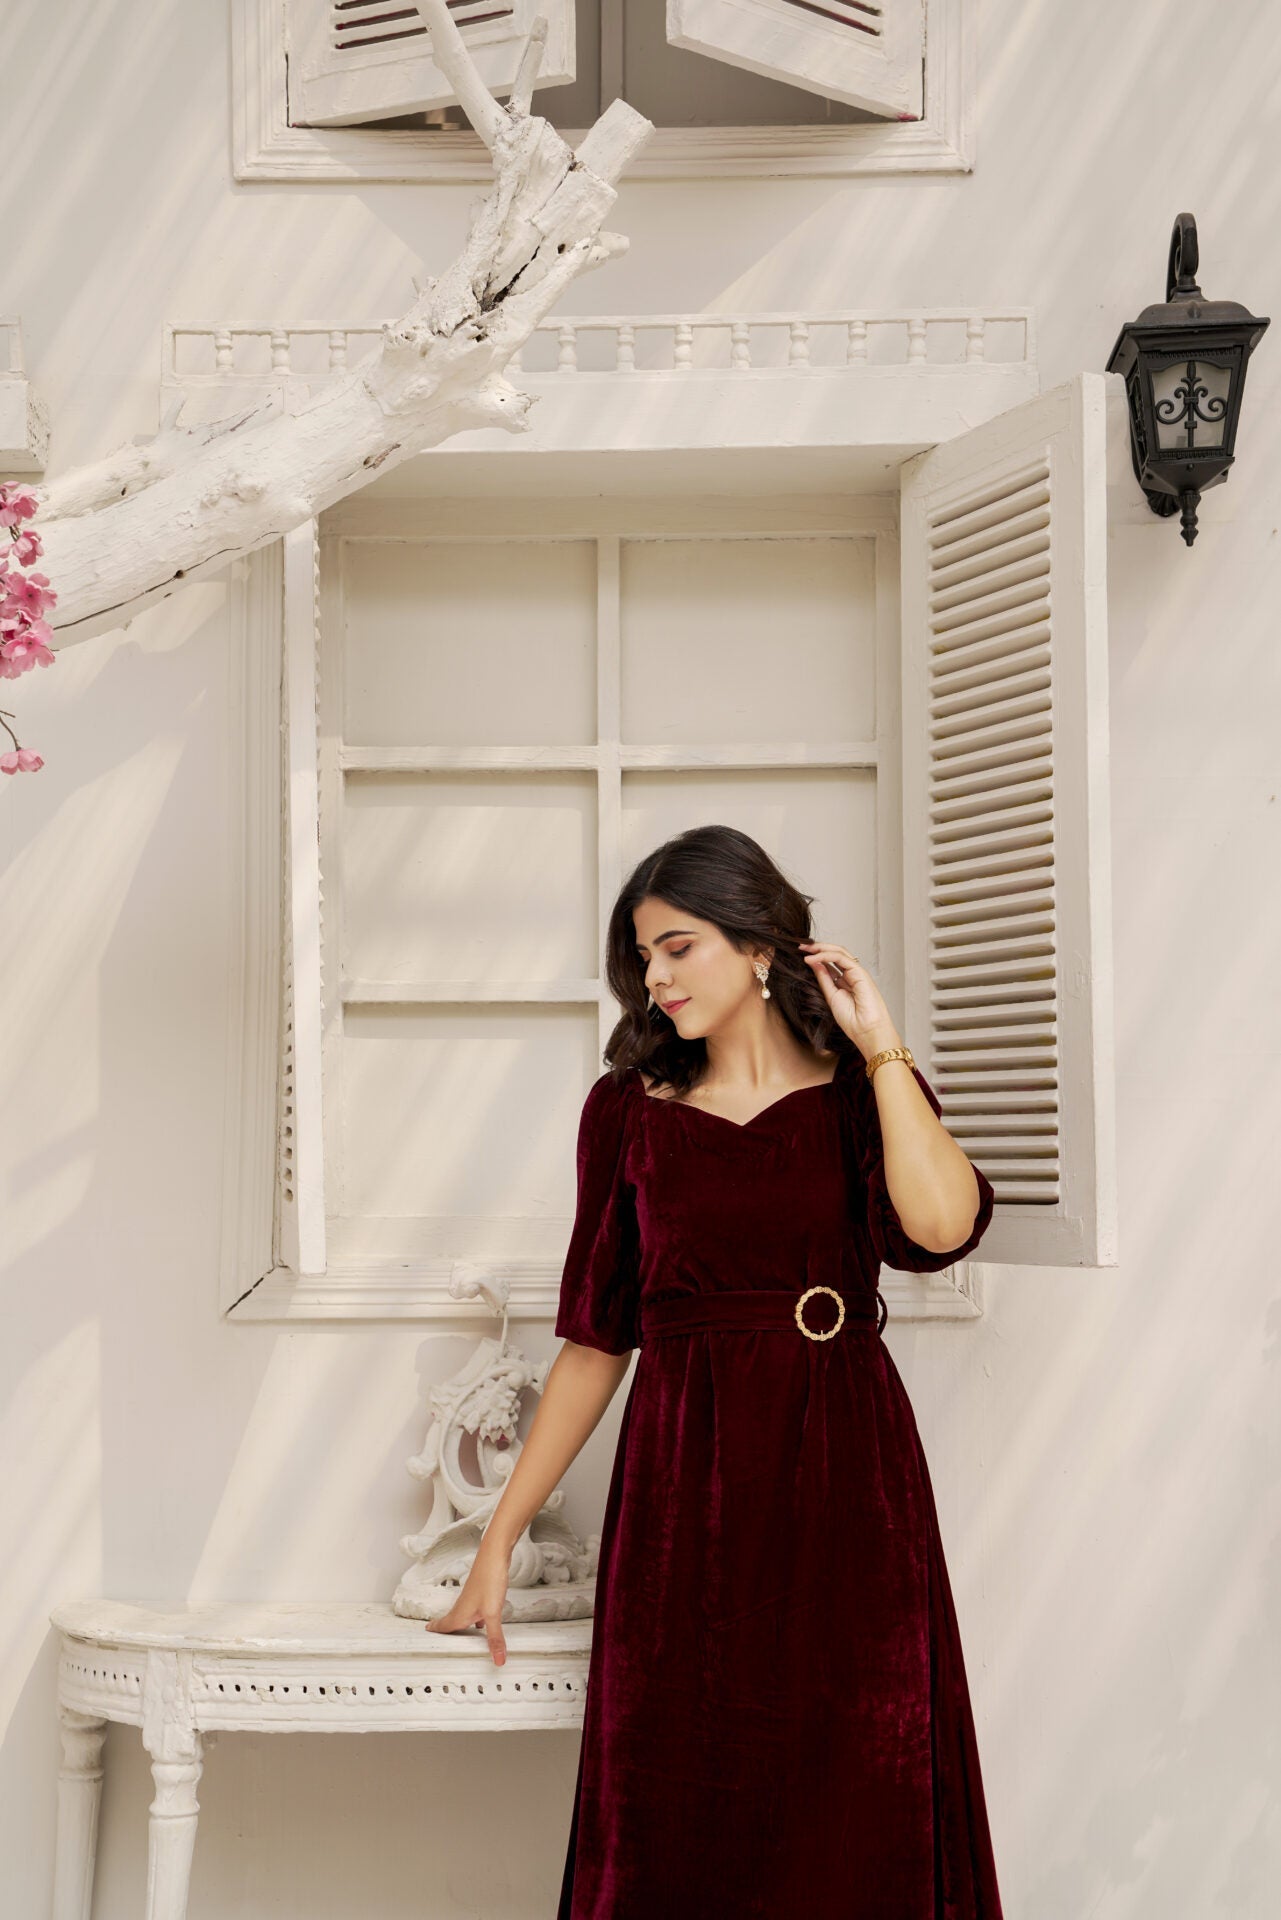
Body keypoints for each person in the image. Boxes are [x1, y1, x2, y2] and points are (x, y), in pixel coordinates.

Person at [427, 823, 1004, 1919]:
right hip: (684, 1490)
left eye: (677, 946)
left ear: (758, 946)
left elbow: (939, 1227)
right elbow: (595, 1341)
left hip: (847, 1475)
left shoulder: (858, 1093)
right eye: (642, 955)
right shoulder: (627, 1113)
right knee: (683, 1797)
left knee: (859, 1781)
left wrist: (882, 1047)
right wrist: (498, 1539)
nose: (653, 977)